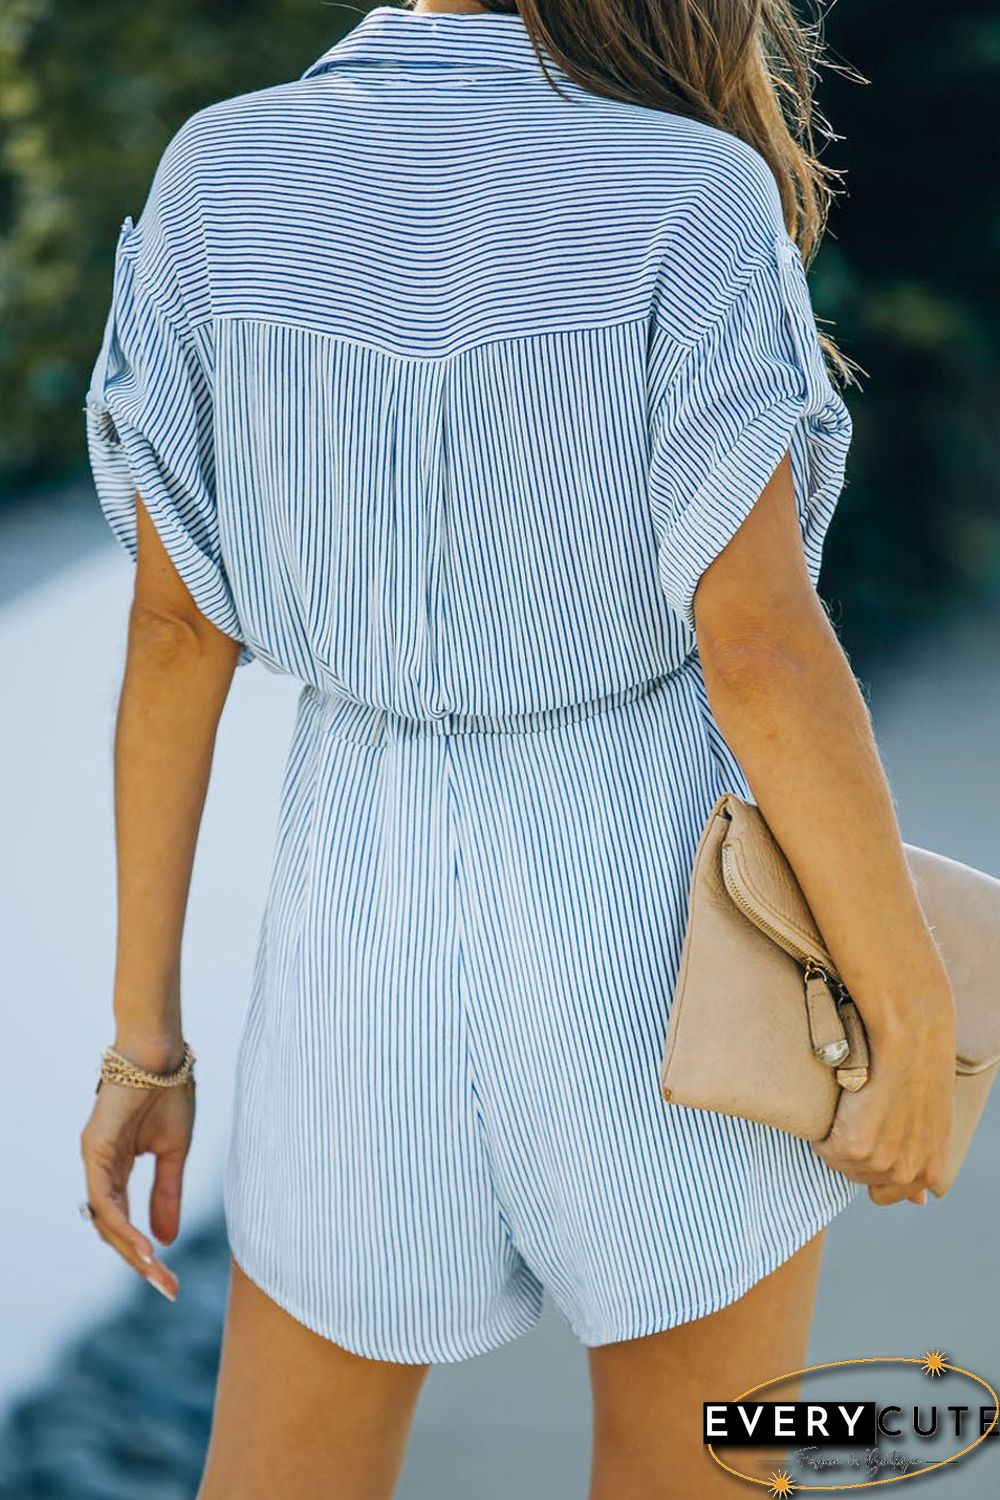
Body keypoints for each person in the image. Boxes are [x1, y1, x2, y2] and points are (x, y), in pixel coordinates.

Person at [77, 2, 957, 1496]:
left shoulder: (219, 175)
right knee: (715, 1467)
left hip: (353, 917)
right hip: (667, 931)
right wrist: (908, 1007)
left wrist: (142, 1046)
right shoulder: (690, 189)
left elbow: (175, 636)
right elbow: (758, 646)